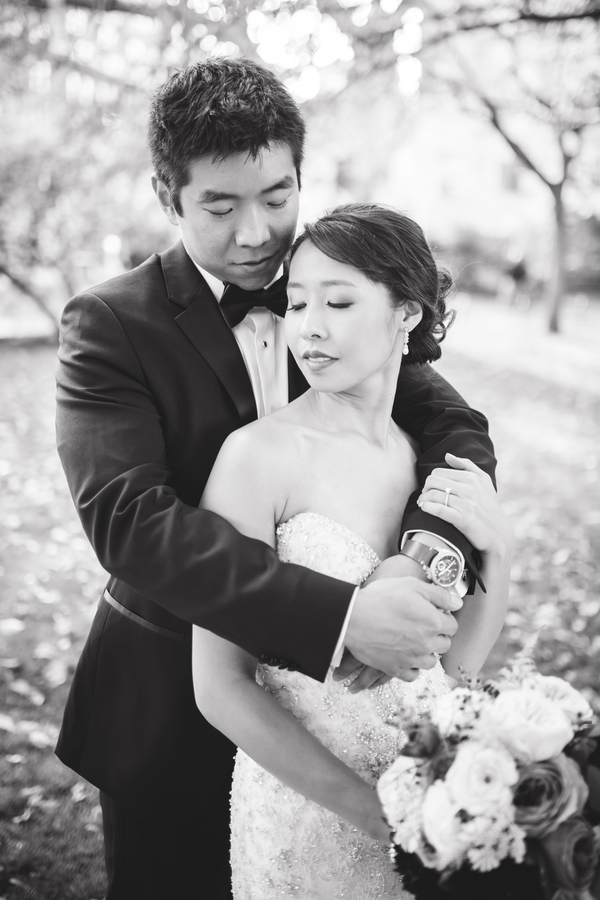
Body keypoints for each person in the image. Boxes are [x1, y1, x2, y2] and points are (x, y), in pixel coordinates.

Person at [54, 58, 496, 899]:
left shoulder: (331, 293)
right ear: (168, 195)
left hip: (338, 722)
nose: (257, 233)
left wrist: (417, 564)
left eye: (277, 196)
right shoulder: (111, 323)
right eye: (221, 207)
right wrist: (342, 620)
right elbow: (128, 519)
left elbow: (456, 430)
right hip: (169, 703)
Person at [192, 203, 512, 898]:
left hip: (427, 805)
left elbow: (449, 672)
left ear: (407, 313)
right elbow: (219, 686)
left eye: (338, 302)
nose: (309, 326)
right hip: (307, 826)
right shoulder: (257, 457)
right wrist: (379, 817)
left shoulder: (426, 464)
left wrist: (501, 550)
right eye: (297, 302)